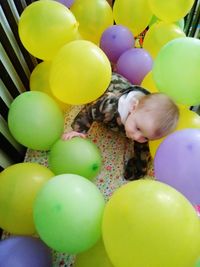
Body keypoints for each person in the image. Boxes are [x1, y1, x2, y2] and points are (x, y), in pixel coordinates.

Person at [62, 72, 179, 180]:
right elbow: (89, 111)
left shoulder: (144, 125)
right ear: (133, 107)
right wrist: (79, 131)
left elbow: (143, 150)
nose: (137, 137)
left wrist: (138, 169)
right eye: (138, 128)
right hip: (107, 82)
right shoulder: (109, 107)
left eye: (146, 137)